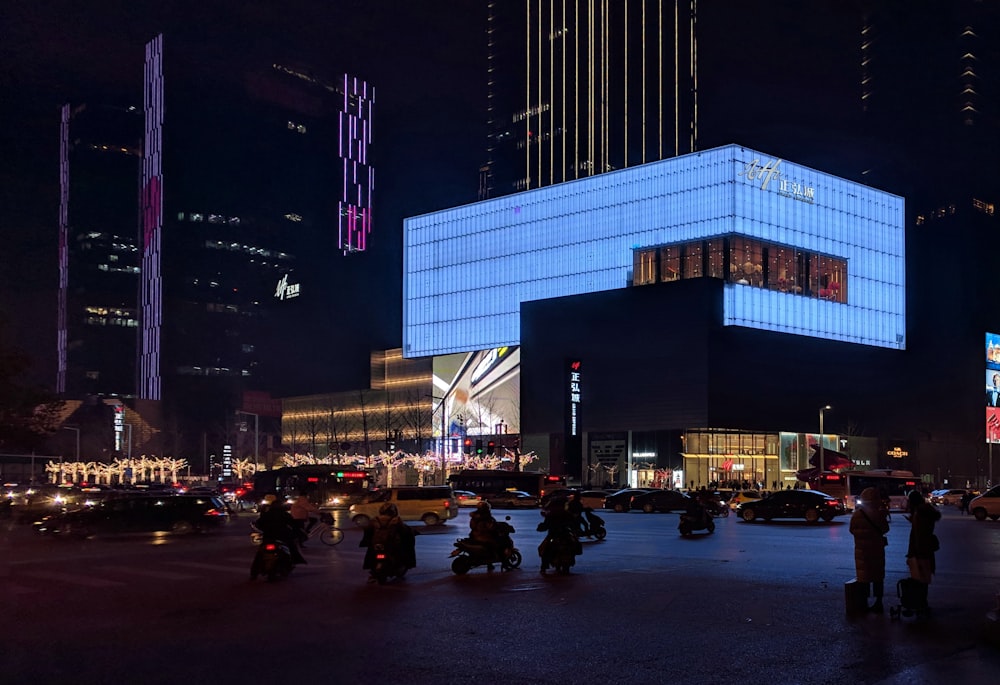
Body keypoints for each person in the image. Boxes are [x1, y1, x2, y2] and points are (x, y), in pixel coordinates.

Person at [849, 487, 890, 613]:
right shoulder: (879, 514)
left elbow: (852, 530)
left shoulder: (857, 514)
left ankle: (864, 603)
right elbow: (885, 529)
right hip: (877, 549)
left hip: (862, 551)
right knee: (878, 577)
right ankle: (878, 602)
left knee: (863, 577)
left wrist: (862, 535)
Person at [904, 489, 941, 613]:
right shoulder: (925, 512)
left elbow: (918, 535)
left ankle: (920, 605)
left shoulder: (919, 514)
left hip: (920, 552)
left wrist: (913, 553)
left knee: (919, 579)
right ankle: (922, 604)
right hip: (926, 550)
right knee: (924, 579)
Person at [359, 502, 416, 582]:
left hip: (376, 544)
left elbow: (368, 531)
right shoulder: (396, 520)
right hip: (392, 544)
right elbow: (404, 531)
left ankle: (373, 572)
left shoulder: (375, 520)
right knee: (405, 551)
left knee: (370, 553)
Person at [253, 493, 306, 565]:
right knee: (292, 547)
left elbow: (259, 523)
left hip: (269, 536)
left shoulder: (267, 513)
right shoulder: (283, 514)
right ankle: (295, 560)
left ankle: (254, 572)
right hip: (282, 536)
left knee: (260, 553)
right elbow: (293, 524)